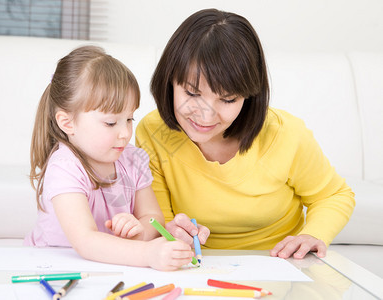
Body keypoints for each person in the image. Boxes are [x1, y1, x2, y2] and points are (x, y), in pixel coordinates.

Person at [135, 8, 355, 260]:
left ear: (249, 96)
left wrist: (313, 234)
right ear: (169, 82)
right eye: (192, 94)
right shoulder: (153, 132)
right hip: (195, 266)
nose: (206, 116)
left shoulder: (285, 134)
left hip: (280, 266)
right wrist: (169, 232)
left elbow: (334, 195)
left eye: (227, 99)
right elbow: (160, 218)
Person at [25, 45, 194, 271]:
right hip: (52, 267)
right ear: (67, 123)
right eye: (111, 123)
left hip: (110, 263)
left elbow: (153, 217)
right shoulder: (65, 168)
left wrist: (140, 230)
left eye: (130, 119)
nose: (125, 133)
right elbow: (86, 241)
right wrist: (147, 253)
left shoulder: (132, 159)